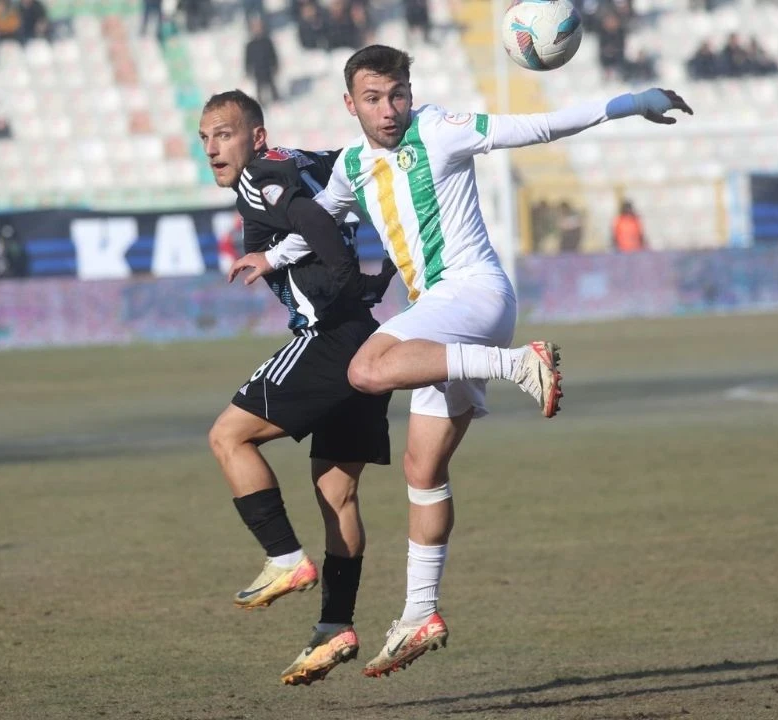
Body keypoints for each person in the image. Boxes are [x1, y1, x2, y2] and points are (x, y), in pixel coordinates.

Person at [229, 45, 691, 677]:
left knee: (365, 369)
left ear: (410, 93)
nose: (389, 110)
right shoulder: (356, 165)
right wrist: (269, 259)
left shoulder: (439, 130)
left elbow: (534, 126)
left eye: (397, 95)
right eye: (373, 98)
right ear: (350, 105)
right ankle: (421, 613)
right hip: (442, 322)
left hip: (471, 294)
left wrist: (631, 103)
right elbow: (326, 215)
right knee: (423, 469)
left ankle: (517, 364)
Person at [199, 90, 399, 685]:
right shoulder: (304, 158)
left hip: (329, 341)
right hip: (366, 337)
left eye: (224, 134)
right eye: (206, 137)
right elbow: (357, 181)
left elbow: (312, 221)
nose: (213, 148)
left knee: (228, 438)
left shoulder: (258, 177)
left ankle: (286, 560)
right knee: (337, 496)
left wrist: (343, 275)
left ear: (256, 137)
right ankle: (334, 627)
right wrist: (378, 274)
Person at [243, 17, 279, 105]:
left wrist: (275, 65)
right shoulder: (250, 45)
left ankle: (276, 101)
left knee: (272, 86)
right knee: (260, 89)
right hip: (258, 70)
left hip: (268, 69)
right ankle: (261, 104)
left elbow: (273, 55)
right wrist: (248, 70)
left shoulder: (267, 41)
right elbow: (247, 60)